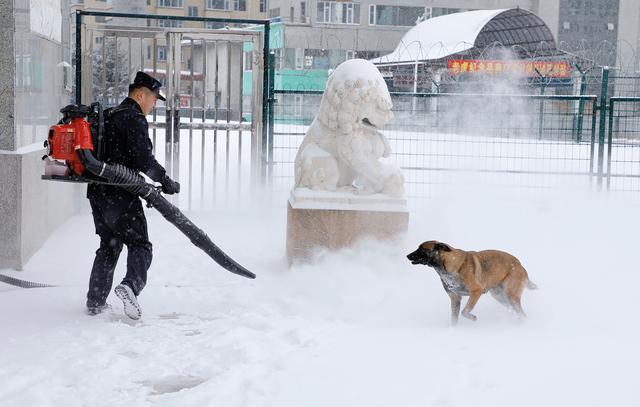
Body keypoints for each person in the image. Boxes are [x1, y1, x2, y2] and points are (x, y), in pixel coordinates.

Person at [86, 71, 180, 319]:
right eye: (153, 98)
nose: (153, 104)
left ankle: (95, 301)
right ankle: (130, 286)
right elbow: (143, 159)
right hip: (120, 194)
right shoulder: (133, 118)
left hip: (97, 191)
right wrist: (165, 180)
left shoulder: (110, 114)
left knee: (109, 245)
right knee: (140, 244)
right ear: (140, 94)